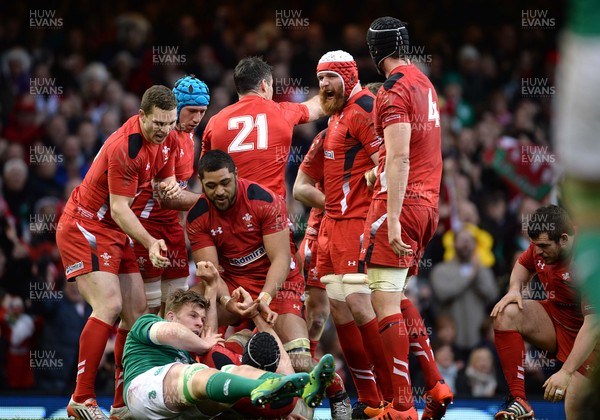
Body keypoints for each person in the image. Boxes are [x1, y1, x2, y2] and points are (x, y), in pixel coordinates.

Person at [56, 85, 181, 420]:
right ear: (141, 115)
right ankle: (80, 399)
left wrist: (174, 188)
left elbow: (165, 181)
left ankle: (121, 406)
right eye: (157, 122)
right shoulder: (125, 147)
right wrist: (151, 242)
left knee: (136, 314)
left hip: (113, 229)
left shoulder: (167, 139)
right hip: (86, 225)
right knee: (109, 305)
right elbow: (122, 209)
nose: (164, 129)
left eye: (170, 123)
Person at [294, 50, 396, 418]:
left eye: (331, 77)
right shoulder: (334, 121)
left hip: (358, 224)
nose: (323, 85)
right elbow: (301, 188)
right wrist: (333, 203)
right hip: (334, 226)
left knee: (360, 305)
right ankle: (369, 398)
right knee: (340, 310)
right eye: (319, 79)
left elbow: (388, 159)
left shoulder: (365, 107)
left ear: (350, 76)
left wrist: (374, 210)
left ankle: (392, 396)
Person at [360, 16, 452, 418]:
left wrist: (392, 217)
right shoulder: (424, 82)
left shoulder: (392, 91)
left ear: (374, 52)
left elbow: (399, 156)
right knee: (395, 297)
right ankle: (434, 383)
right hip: (428, 203)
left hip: (400, 205)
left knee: (383, 305)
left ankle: (401, 407)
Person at [185, 150, 312, 375]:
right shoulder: (198, 216)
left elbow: (281, 260)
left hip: (278, 283)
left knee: (299, 360)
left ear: (236, 174)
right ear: (201, 183)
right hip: (233, 283)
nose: (220, 192)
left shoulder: (264, 200)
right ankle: (207, 378)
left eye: (225, 183)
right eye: (211, 186)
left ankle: (336, 390)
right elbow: (211, 274)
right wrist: (226, 301)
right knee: (186, 314)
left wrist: (264, 298)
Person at [122, 288, 336, 419]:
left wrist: (283, 412)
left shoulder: (191, 353)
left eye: (202, 320)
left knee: (233, 372)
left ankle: (289, 392)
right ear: (171, 315)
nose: (199, 323)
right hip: (143, 393)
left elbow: (207, 344)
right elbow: (172, 332)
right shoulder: (149, 323)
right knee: (195, 373)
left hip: (181, 411)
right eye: (193, 316)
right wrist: (204, 343)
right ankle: (264, 387)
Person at [491, 204, 598, 419]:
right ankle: (519, 400)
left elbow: (593, 325)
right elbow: (523, 264)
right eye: (535, 245)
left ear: (565, 239)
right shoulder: (542, 245)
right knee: (506, 312)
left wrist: (566, 372)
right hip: (558, 321)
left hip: (591, 339)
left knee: (576, 408)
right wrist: (514, 289)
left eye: (543, 246)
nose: (538, 251)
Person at [131, 75, 210, 314]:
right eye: (191, 111)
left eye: (202, 112)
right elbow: (166, 196)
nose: (197, 118)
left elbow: (180, 190)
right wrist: (212, 203)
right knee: (146, 311)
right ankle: (135, 353)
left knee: (176, 304)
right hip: (147, 225)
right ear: (177, 108)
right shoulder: (165, 136)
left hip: (172, 228)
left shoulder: (190, 138)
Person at [201, 56, 324, 199]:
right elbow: (319, 107)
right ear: (264, 85)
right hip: (270, 211)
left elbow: (204, 173)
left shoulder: (214, 122)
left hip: (230, 212)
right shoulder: (282, 112)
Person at [430, 228, 498, 359]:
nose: (466, 244)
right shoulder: (441, 270)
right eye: (462, 240)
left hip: (478, 339)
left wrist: (477, 272)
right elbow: (442, 294)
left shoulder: (483, 270)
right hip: (451, 342)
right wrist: (469, 277)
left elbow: (492, 295)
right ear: (454, 243)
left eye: (470, 240)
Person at [295, 130, 329, 359]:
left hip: (366, 234)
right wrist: (342, 209)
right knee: (315, 318)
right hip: (323, 235)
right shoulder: (327, 137)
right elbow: (299, 189)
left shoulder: (390, 142)